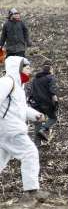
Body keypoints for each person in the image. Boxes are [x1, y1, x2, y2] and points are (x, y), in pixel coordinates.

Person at [0, 57, 48, 201]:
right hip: (10, 129)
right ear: (18, 68)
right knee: (30, 152)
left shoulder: (18, 87)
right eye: (27, 68)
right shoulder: (7, 81)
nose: (30, 71)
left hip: (6, 130)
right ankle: (31, 192)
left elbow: (21, 109)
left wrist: (36, 115)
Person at [29, 60, 59, 146]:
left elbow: (31, 92)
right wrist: (56, 103)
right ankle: (44, 128)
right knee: (53, 118)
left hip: (35, 105)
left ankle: (37, 145)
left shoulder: (35, 79)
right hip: (46, 104)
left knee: (37, 124)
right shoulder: (51, 78)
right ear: (50, 68)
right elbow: (53, 93)